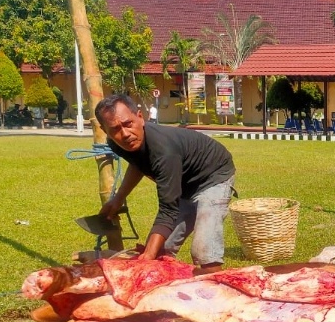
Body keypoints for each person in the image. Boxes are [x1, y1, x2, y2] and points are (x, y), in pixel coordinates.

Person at [95, 94, 236, 275]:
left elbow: (168, 210)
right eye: (115, 129)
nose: (124, 134)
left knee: (204, 250)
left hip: (213, 177)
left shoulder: (164, 151)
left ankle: (218, 294)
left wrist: (147, 256)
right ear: (105, 130)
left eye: (128, 123)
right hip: (183, 183)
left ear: (140, 117)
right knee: (162, 249)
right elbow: (138, 164)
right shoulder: (117, 144)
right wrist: (118, 198)